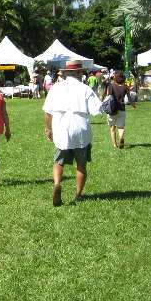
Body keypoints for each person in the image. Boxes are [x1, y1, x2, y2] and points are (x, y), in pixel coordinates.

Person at [43, 60, 103, 206]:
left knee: (59, 162)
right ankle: (78, 194)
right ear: (78, 73)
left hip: (61, 128)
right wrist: (102, 99)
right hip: (80, 128)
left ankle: (57, 183)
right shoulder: (85, 89)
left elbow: (47, 111)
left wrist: (48, 129)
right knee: (81, 164)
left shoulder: (56, 88)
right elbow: (96, 110)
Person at [106, 70, 136, 149]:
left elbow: (108, 95)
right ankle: (121, 136)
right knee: (120, 127)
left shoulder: (111, 86)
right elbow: (129, 97)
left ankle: (115, 144)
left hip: (112, 109)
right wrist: (133, 105)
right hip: (121, 109)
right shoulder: (125, 87)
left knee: (112, 127)